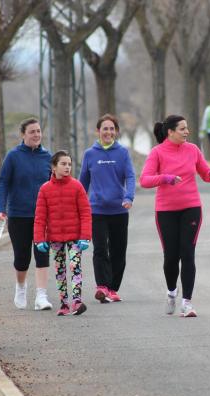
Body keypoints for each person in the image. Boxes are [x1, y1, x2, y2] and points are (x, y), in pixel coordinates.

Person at [140, 115, 210, 317]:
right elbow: (145, 180)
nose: (187, 132)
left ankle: (187, 303)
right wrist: (165, 178)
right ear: (170, 132)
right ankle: (171, 292)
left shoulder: (192, 149)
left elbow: (205, 174)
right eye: (183, 128)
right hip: (166, 211)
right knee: (171, 257)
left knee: (188, 254)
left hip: (191, 207)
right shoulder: (157, 152)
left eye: (187, 128)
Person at [0, 118, 53, 311]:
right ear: (23, 135)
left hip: (42, 216)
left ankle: (41, 296)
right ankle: (21, 287)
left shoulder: (47, 157)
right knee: (22, 257)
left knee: (42, 253)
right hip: (19, 214)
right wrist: (0, 209)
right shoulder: (13, 156)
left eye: (38, 131)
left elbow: (55, 186)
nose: (36, 135)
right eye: (32, 132)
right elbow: (2, 183)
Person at [79, 114, 135, 303]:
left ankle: (113, 288)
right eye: (105, 128)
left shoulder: (123, 152)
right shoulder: (90, 154)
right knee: (100, 249)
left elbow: (131, 177)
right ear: (98, 131)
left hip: (119, 210)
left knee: (118, 251)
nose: (109, 132)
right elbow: (82, 183)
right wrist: (78, 205)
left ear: (116, 132)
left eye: (112, 129)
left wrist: (129, 196)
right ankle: (102, 286)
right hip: (97, 211)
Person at [34, 150, 92, 316]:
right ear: (54, 167)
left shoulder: (77, 186)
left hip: (75, 237)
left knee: (75, 266)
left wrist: (85, 237)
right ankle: (64, 304)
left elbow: (85, 212)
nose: (67, 167)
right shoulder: (44, 190)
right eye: (63, 164)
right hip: (55, 238)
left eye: (69, 164)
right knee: (60, 270)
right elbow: (40, 218)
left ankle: (77, 301)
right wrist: (39, 239)